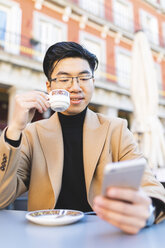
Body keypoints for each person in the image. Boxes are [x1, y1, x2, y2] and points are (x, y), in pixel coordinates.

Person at [0, 42, 164, 234]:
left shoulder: (116, 129)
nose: (75, 87)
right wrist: (14, 131)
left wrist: (149, 211)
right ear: (49, 86)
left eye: (84, 78)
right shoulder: (31, 134)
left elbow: (149, 183)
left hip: (104, 233)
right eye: (64, 79)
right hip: (45, 235)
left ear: (93, 82)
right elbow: (2, 197)